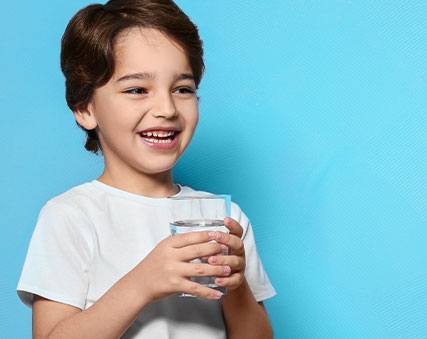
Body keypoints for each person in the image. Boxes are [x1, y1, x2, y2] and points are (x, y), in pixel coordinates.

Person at [16, 0, 276, 338]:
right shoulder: (70, 217)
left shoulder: (228, 220)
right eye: (137, 89)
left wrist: (236, 286)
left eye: (183, 89)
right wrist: (143, 284)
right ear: (84, 108)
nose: (166, 108)